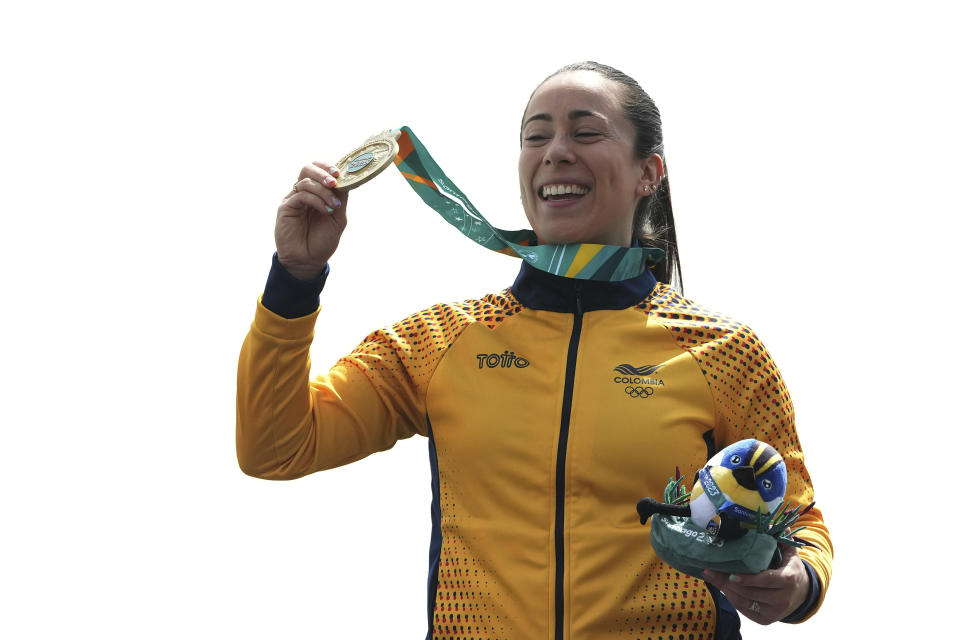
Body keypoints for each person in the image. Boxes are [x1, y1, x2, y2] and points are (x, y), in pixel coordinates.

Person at [236, 61, 833, 640]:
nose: (555, 151)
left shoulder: (723, 350)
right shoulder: (438, 341)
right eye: (536, 136)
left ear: (648, 172)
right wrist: (295, 275)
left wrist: (798, 581)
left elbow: (801, 522)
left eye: (586, 131)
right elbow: (276, 446)